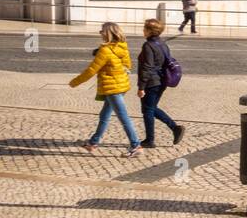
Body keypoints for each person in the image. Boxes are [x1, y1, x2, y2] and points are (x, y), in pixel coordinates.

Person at [70, 22, 141, 157]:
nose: (100, 33)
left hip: (112, 88)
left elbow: (91, 70)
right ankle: (93, 142)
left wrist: (75, 82)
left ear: (108, 33)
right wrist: (117, 73)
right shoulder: (123, 47)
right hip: (121, 86)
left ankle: (136, 145)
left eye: (102, 31)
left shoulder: (105, 50)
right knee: (104, 115)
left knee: (123, 117)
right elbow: (128, 66)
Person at [136, 18, 184, 148]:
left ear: (150, 31)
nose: (143, 30)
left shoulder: (148, 45)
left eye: (144, 28)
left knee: (148, 111)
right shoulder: (162, 44)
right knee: (150, 108)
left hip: (151, 82)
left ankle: (150, 140)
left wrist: (141, 87)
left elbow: (148, 67)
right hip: (161, 81)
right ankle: (175, 128)